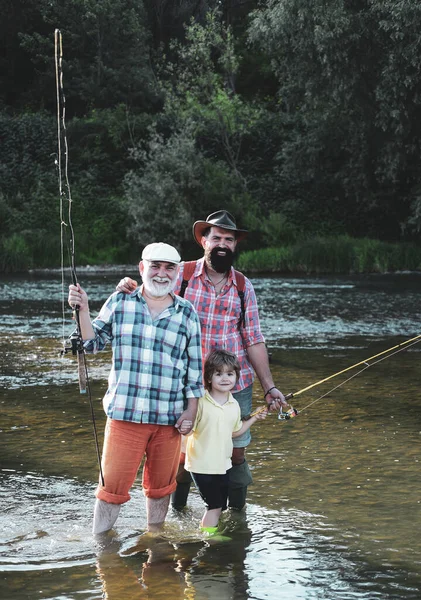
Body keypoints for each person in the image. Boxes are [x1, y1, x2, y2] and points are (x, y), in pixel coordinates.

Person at [117, 210, 286, 510]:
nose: (222, 244)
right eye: (216, 237)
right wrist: (129, 287)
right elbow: (150, 295)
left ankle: (237, 518)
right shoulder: (179, 276)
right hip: (186, 384)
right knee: (181, 453)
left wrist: (269, 387)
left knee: (235, 452)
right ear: (204, 241)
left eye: (229, 240)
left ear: (235, 246)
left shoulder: (244, 286)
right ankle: (177, 514)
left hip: (236, 385)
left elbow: (254, 339)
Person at [68, 242, 204, 534]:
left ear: (177, 273)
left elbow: (194, 370)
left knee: (161, 489)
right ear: (142, 268)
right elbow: (91, 344)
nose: (161, 273)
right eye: (155, 266)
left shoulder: (187, 313)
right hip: (124, 417)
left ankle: (155, 542)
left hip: (169, 421)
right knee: (111, 489)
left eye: (169, 268)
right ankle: (102, 551)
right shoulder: (120, 301)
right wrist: (83, 309)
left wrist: (191, 411)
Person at [185, 349, 267, 537]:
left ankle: (209, 531)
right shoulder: (200, 401)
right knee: (214, 506)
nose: (224, 378)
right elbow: (188, 429)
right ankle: (209, 538)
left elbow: (235, 432)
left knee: (220, 505)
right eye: (218, 373)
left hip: (223, 464)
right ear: (208, 377)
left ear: (236, 377)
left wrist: (254, 417)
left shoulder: (234, 404)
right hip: (202, 464)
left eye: (230, 374)